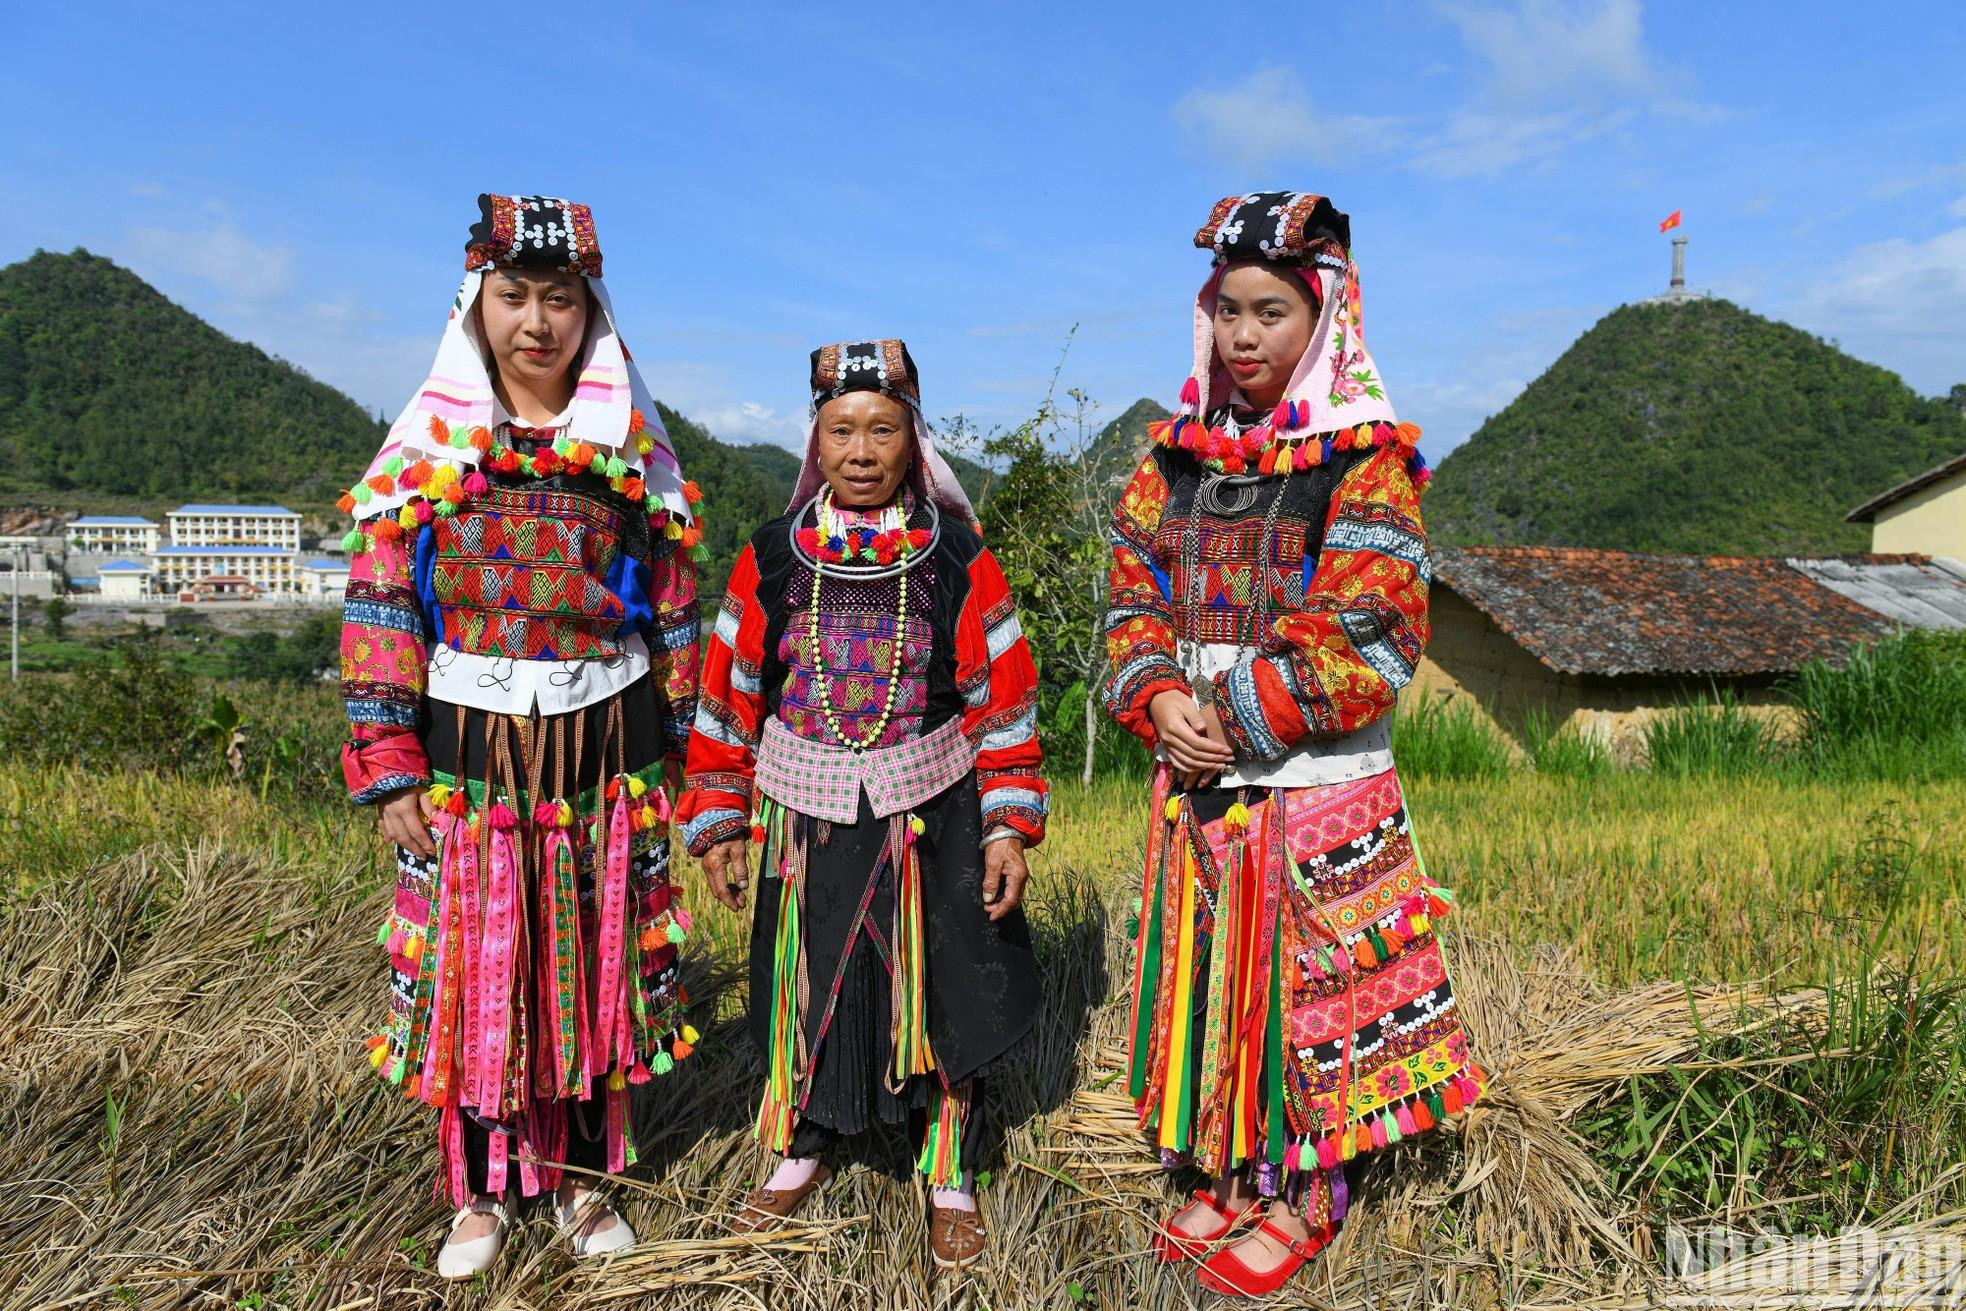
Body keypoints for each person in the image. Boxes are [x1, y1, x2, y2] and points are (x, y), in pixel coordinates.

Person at [1103, 192, 1486, 1298]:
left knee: (1312, 995)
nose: (1243, 336)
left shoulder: (1364, 465)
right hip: (1201, 788)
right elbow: (1132, 595)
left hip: (1312, 793)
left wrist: (1239, 713)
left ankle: (1308, 1188)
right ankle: (1226, 1161)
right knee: (1215, 983)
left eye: (1270, 311)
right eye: (1228, 311)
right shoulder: (1171, 464)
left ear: (1323, 320)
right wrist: (1156, 695)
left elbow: (1373, 624)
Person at [337, 194, 704, 1280]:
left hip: (604, 749)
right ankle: (481, 1191)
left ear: (592, 316)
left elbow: (674, 609)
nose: (537, 322)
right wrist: (388, 757)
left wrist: (688, 755)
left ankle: (586, 1182)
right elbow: (381, 608)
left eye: (560, 299)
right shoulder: (430, 452)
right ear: (477, 306)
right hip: (471, 754)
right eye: (515, 297)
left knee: (596, 958)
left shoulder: (628, 457)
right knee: (478, 960)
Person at [676, 339, 1046, 1272]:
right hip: (806, 816)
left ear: (914, 440)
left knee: (944, 987)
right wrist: (719, 814)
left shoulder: (956, 555)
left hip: (931, 812)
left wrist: (1008, 821)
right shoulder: (772, 556)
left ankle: (950, 1163)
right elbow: (729, 692)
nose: (862, 448)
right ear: (816, 437)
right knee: (808, 984)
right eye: (841, 428)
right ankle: (804, 1141)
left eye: (884, 428)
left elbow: (1002, 695)